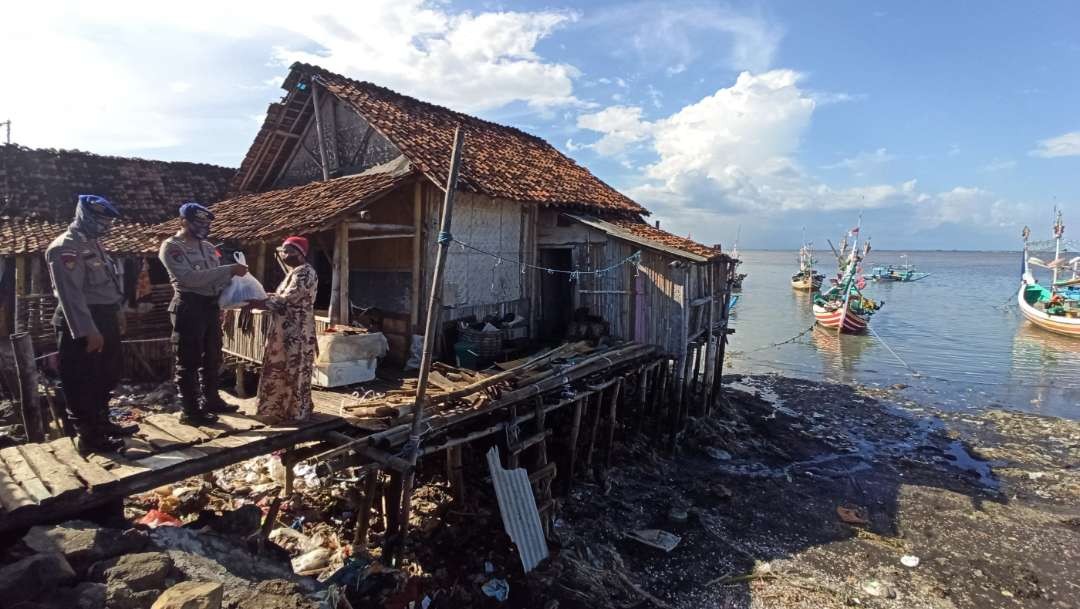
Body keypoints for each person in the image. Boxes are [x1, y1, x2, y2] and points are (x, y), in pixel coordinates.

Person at [45, 194, 135, 453]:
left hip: (104, 316)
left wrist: (117, 313)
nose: (104, 226)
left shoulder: (94, 244)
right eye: (100, 220)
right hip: (82, 319)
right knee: (81, 380)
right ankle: (89, 437)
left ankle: (102, 423)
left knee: (107, 373)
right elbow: (70, 295)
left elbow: (107, 285)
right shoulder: (65, 247)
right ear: (84, 216)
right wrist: (88, 331)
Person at [159, 202, 247, 425]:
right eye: (197, 223)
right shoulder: (172, 247)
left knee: (212, 355)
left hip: (210, 305)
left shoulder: (208, 247)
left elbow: (217, 278)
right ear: (183, 222)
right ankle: (190, 410)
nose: (202, 228)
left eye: (205, 224)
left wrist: (232, 291)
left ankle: (212, 399)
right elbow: (189, 278)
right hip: (189, 306)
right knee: (188, 359)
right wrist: (228, 270)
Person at [248, 236, 318, 422]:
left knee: (294, 368)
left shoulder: (304, 273)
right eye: (284, 251)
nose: (285, 255)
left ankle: (295, 411)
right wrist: (263, 297)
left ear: (301, 254)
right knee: (284, 367)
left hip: (297, 330)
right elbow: (281, 296)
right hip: (286, 329)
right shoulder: (294, 272)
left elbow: (285, 299)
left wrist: (257, 302)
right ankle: (282, 408)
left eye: (289, 251)